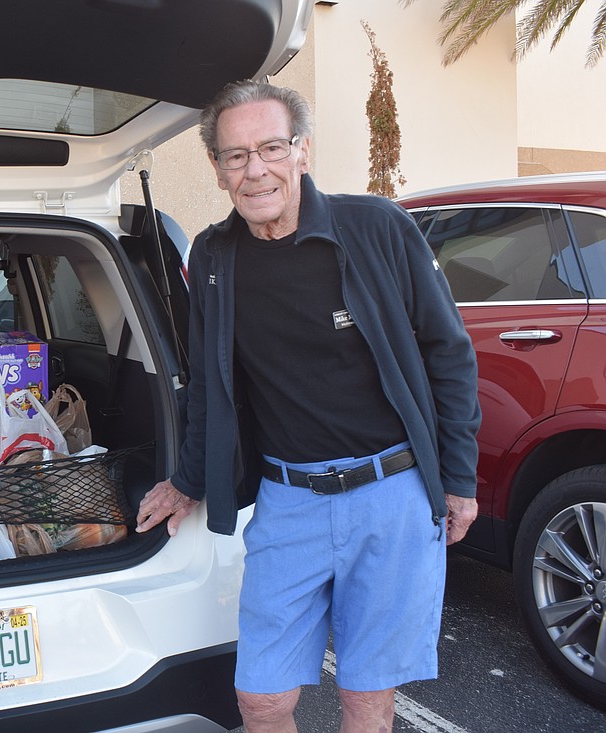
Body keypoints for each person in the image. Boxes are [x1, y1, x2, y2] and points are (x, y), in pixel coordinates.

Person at [135, 80, 481, 733]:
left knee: (365, 699)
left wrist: (458, 480)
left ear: (302, 151)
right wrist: (187, 481)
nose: (254, 168)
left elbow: (450, 354)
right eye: (235, 156)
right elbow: (210, 381)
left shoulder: (377, 227)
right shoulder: (213, 255)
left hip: (391, 493)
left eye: (270, 147)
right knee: (262, 698)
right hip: (288, 499)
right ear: (216, 170)